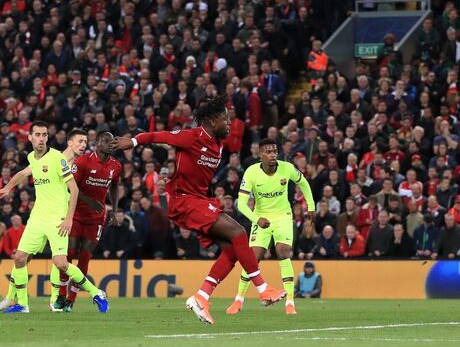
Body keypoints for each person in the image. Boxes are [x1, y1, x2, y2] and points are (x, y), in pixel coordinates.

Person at [113, 96, 284, 324]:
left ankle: (201, 297)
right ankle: (263, 289)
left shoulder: (218, 145)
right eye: (225, 119)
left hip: (200, 200)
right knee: (239, 232)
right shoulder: (192, 136)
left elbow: (196, 174)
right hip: (186, 202)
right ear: (213, 121)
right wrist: (133, 142)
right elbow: (158, 136)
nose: (230, 123)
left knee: (232, 252)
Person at [0, 122, 108, 314]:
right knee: (19, 258)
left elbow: (74, 190)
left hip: (56, 218)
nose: (41, 138)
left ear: (47, 138)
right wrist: (8, 187)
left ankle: (96, 292)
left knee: (60, 263)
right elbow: (24, 173)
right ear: (30, 138)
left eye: (44, 135)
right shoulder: (32, 157)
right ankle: (22, 304)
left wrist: (68, 219)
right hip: (37, 218)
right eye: (37, 135)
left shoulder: (58, 159)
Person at [228, 138, 316, 316]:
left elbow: (304, 183)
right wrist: (256, 218)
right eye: (268, 152)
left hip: (283, 216)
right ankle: (238, 300)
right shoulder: (251, 173)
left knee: (283, 252)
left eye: (274, 151)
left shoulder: (287, 168)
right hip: (261, 217)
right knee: (253, 258)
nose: (272, 154)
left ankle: (290, 303)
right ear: (260, 155)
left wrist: (311, 206)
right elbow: (242, 205)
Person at [57, 131, 121, 312]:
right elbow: (71, 188)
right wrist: (89, 201)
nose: (110, 144)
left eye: (112, 141)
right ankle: (61, 293)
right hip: (76, 214)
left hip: (96, 219)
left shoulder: (116, 166)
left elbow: (115, 186)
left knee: (85, 256)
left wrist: (114, 210)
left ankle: (71, 298)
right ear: (97, 143)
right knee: (69, 253)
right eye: (106, 141)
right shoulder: (83, 161)